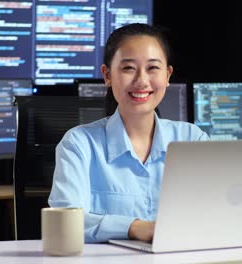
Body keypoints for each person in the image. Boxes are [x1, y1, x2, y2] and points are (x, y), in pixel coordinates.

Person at [48, 23, 209, 243]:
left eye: (153, 68)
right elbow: (64, 223)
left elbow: (214, 214)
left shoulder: (192, 139)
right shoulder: (79, 144)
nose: (142, 81)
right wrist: (134, 228)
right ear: (107, 75)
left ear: (168, 75)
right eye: (128, 68)